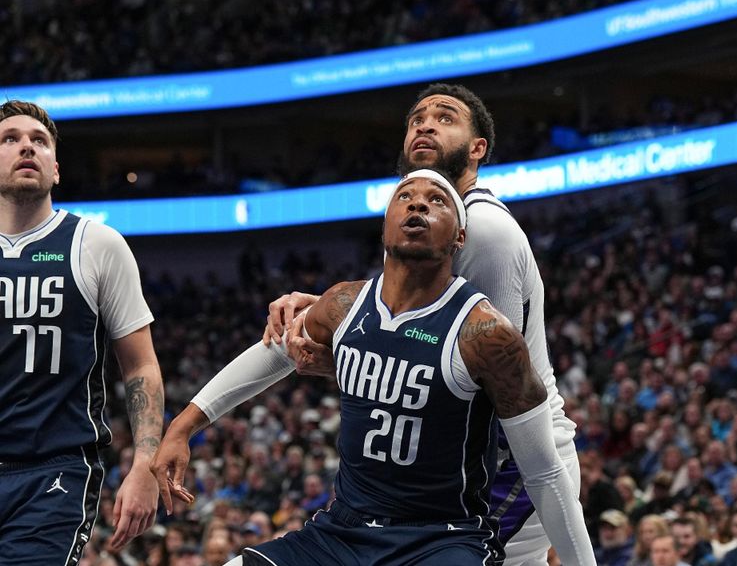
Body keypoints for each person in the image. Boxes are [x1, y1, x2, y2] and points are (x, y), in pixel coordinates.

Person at [151, 170, 595, 565]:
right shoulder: (346, 302)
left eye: (437, 199)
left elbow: (545, 471)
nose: (419, 202)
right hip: (342, 531)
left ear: (459, 237)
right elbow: (274, 351)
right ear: (385, 225)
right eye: (405, 195)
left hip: (439, 539)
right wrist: (182, 427)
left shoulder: (486, 334)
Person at [264, 82, 581, 566]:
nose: (426, 124)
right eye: (416, 119)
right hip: (469, 464)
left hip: (511, 462)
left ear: (478, 150)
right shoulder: (423, 225)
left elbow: (479, 384)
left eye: (446, 117)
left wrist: (345, 364)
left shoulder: (485, 230)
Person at [0, 100, 174, 564]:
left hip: (52, 473)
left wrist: (145, 463)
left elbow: (141, 365)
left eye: (39, 141)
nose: (26, 148)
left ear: (56, 169)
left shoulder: (97, 244)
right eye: (10, 139)